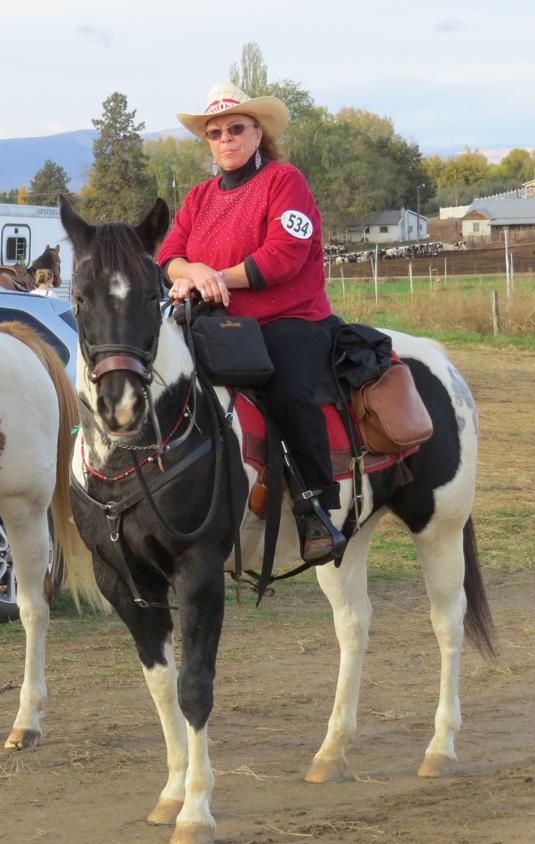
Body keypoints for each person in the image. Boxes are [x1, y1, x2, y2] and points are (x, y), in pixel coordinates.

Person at [157, 81, 345, 563]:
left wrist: (217, 275)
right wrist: (193, 271)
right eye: (215, 132)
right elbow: (167, 257)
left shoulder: (286, 182)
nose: (225, 139)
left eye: (236, 128)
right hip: (213, 322)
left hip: (287, 318)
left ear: (258, 133)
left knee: (288, 391)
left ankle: (316, 505)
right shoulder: (198, 197)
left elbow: (283, 256)